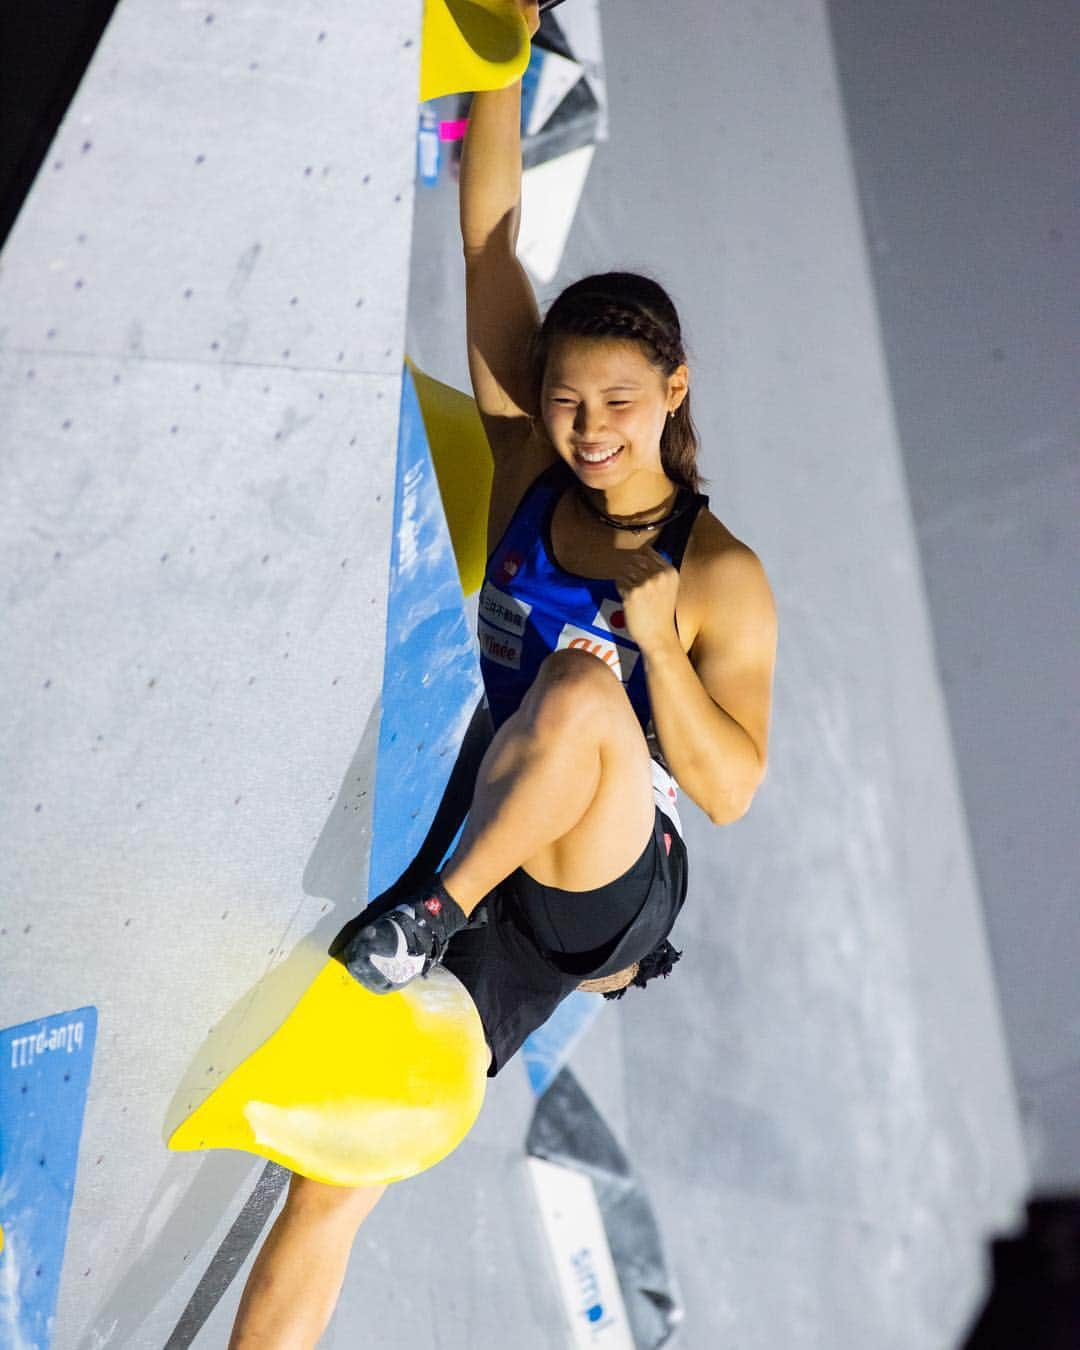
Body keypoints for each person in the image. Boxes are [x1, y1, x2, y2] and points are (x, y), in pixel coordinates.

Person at [228, 4, 777, 1344]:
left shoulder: (718, 578)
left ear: (675, 391)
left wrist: (654, 646)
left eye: (622, 405)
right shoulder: (531, 463)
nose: (590, 431)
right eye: (571, 400)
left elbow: (732, 790)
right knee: (332, 1175)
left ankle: (425, 914)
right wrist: (506, 49)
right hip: (493, 821)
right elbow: (486, 236)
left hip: (600, 880)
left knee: (588, 693)